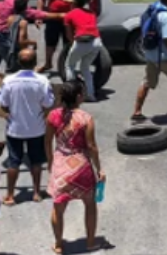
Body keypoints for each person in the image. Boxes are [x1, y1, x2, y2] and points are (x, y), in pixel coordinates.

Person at [47, 81, 107, 254]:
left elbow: (47, 142)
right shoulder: (86, 118)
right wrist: (99, 168)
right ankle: (90, 243)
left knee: (58, 208)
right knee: (89, 205)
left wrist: (51, 162)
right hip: (81, 167)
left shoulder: (53, 116)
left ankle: (58, 244)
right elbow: (91, 146)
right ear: (79, 96)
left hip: (61, 165)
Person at [0, 47, 55, 205]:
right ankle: (36, 192)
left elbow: (2, 103)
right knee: (36, 161)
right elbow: (48, 103)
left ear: (18, 62)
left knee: (14, 161)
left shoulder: (8, 81)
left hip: (15, 128)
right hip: (37, 128)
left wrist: (8, 112)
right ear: (35, 62)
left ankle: (10, 195)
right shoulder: (42, 81)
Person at [38, 0, 89, 74]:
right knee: (50, 40)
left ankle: (68, 64)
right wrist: (39, 14)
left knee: (69, 40)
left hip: (71, 16)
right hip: (54, 16)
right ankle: (48, 63)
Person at [0, 0, 55, 73]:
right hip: (11, 48)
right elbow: (22, 41)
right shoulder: (23, 22)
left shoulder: (10, 18)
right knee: (16, 69)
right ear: (26, 7)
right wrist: (33, 42)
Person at [64, 0, 102, 101]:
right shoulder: (92, 13)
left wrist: (72, 45)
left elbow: (69, 35)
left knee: (69, 66)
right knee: (85, 68)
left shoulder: (69, 15)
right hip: (96, 42)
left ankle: (71, 94)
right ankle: (91, 95)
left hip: (81, 42)